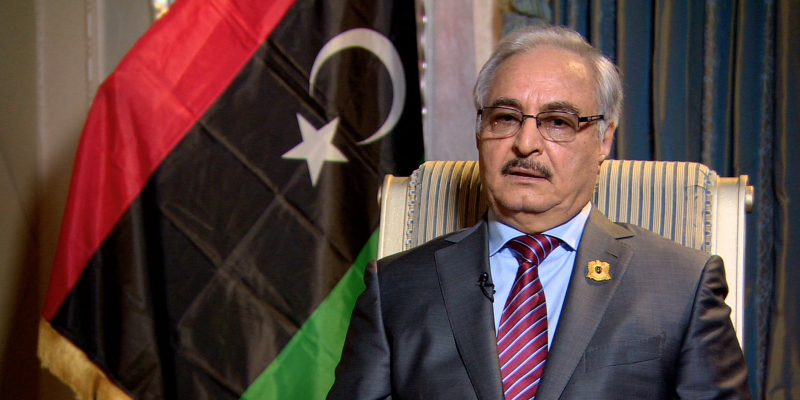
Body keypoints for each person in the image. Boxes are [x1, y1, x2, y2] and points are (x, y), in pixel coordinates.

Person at [328, 24, 750, 400]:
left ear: (603, 140)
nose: (526, 143)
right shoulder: (396, 288)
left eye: (558, 122)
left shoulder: (682, 285)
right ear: (480, 131)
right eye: (505, 118)